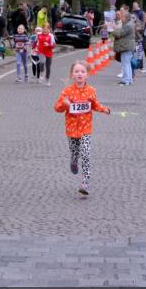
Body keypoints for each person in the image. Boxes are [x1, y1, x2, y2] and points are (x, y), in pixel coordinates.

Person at [53, 60, 111, 197]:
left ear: (87, 75)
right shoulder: (67, 91)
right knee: (75, 152)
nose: (80, 74)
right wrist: (65, 104)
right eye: (77, 71)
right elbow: (56, 108)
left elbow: (95, 105)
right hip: (72, 129)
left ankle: (85, 182)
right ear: (72, 75)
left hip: (86, 129)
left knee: (85, 154)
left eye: (83, 72)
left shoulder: (91, 91)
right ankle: (73, 160)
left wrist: (105, 110)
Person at [111, 5, 137, 84]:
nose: (121, 19)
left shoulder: (127, 25)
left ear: (126, 18)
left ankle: (125, 80)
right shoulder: (128, 24)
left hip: (127, 47)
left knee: (125, 64)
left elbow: (119, 34)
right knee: (127, 64)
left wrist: (112, 29)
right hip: (129, 46)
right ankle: (129, 80)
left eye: (122, 17)